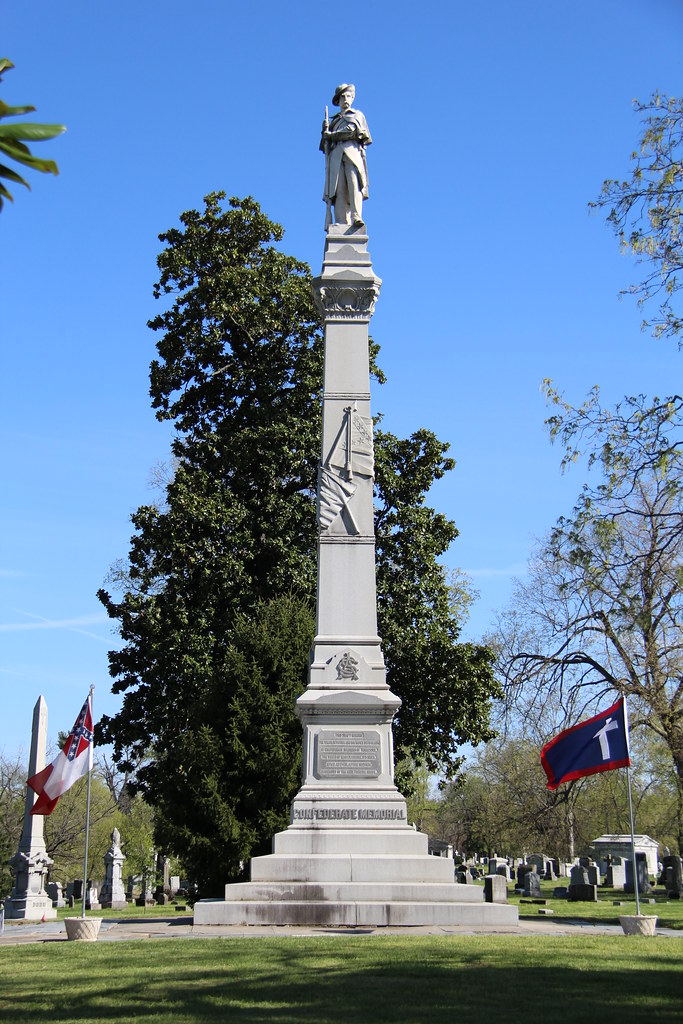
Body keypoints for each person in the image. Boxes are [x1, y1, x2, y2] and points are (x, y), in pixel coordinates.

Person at [321, 84, 371, 227]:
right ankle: (341, 221)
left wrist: (331, 135)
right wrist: (324, 132)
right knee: (339, 189)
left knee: (354, 184)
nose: (346, 99)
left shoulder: (357, 115)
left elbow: (351, 131)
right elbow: (324, 145)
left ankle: (356, 216)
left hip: (352, 153)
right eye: (342, 97)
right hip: (336, 155)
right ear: (338, 100)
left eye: (348, 96)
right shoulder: (334, 121)